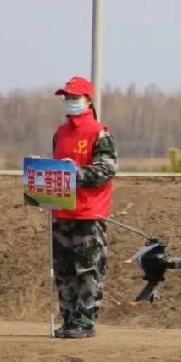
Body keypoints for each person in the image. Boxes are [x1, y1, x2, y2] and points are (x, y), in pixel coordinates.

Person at [50, 76, 118, 338]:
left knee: (88, 268)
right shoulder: (60, 133)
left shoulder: (99, 133)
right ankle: (69, 318)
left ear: (88, 100)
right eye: (66, 97)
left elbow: (107, 169)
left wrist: (75, 173)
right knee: (64, 269)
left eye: (74, 97)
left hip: (89, 212)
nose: (70, 101)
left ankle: (85, 319)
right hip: (62, 210)